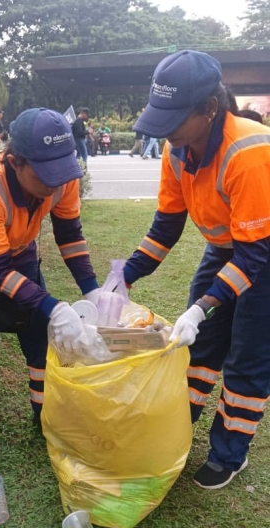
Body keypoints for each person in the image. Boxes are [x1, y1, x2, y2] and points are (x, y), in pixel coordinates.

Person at [121, 50, 270, 489]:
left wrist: (202, 307)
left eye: (174, 118)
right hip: (227, 247)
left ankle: (229, 452)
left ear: (209, 109)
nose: (165, 130)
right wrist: (123, 278)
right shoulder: (177, 149)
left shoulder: (248, 150)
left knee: (247, 356)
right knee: (196, 348)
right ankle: (179, 428)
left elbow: (253, 258)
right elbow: (166, 226)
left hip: (262, 250)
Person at [0, 108, 101, 460]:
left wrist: (92, 289)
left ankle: (47, 414)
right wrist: (55, 306)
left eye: (60, 173)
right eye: (44, 176)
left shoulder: (63, 176)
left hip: (19, 247)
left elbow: (69, 234)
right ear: (15, 162)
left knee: (39, 336)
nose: (54, 185)